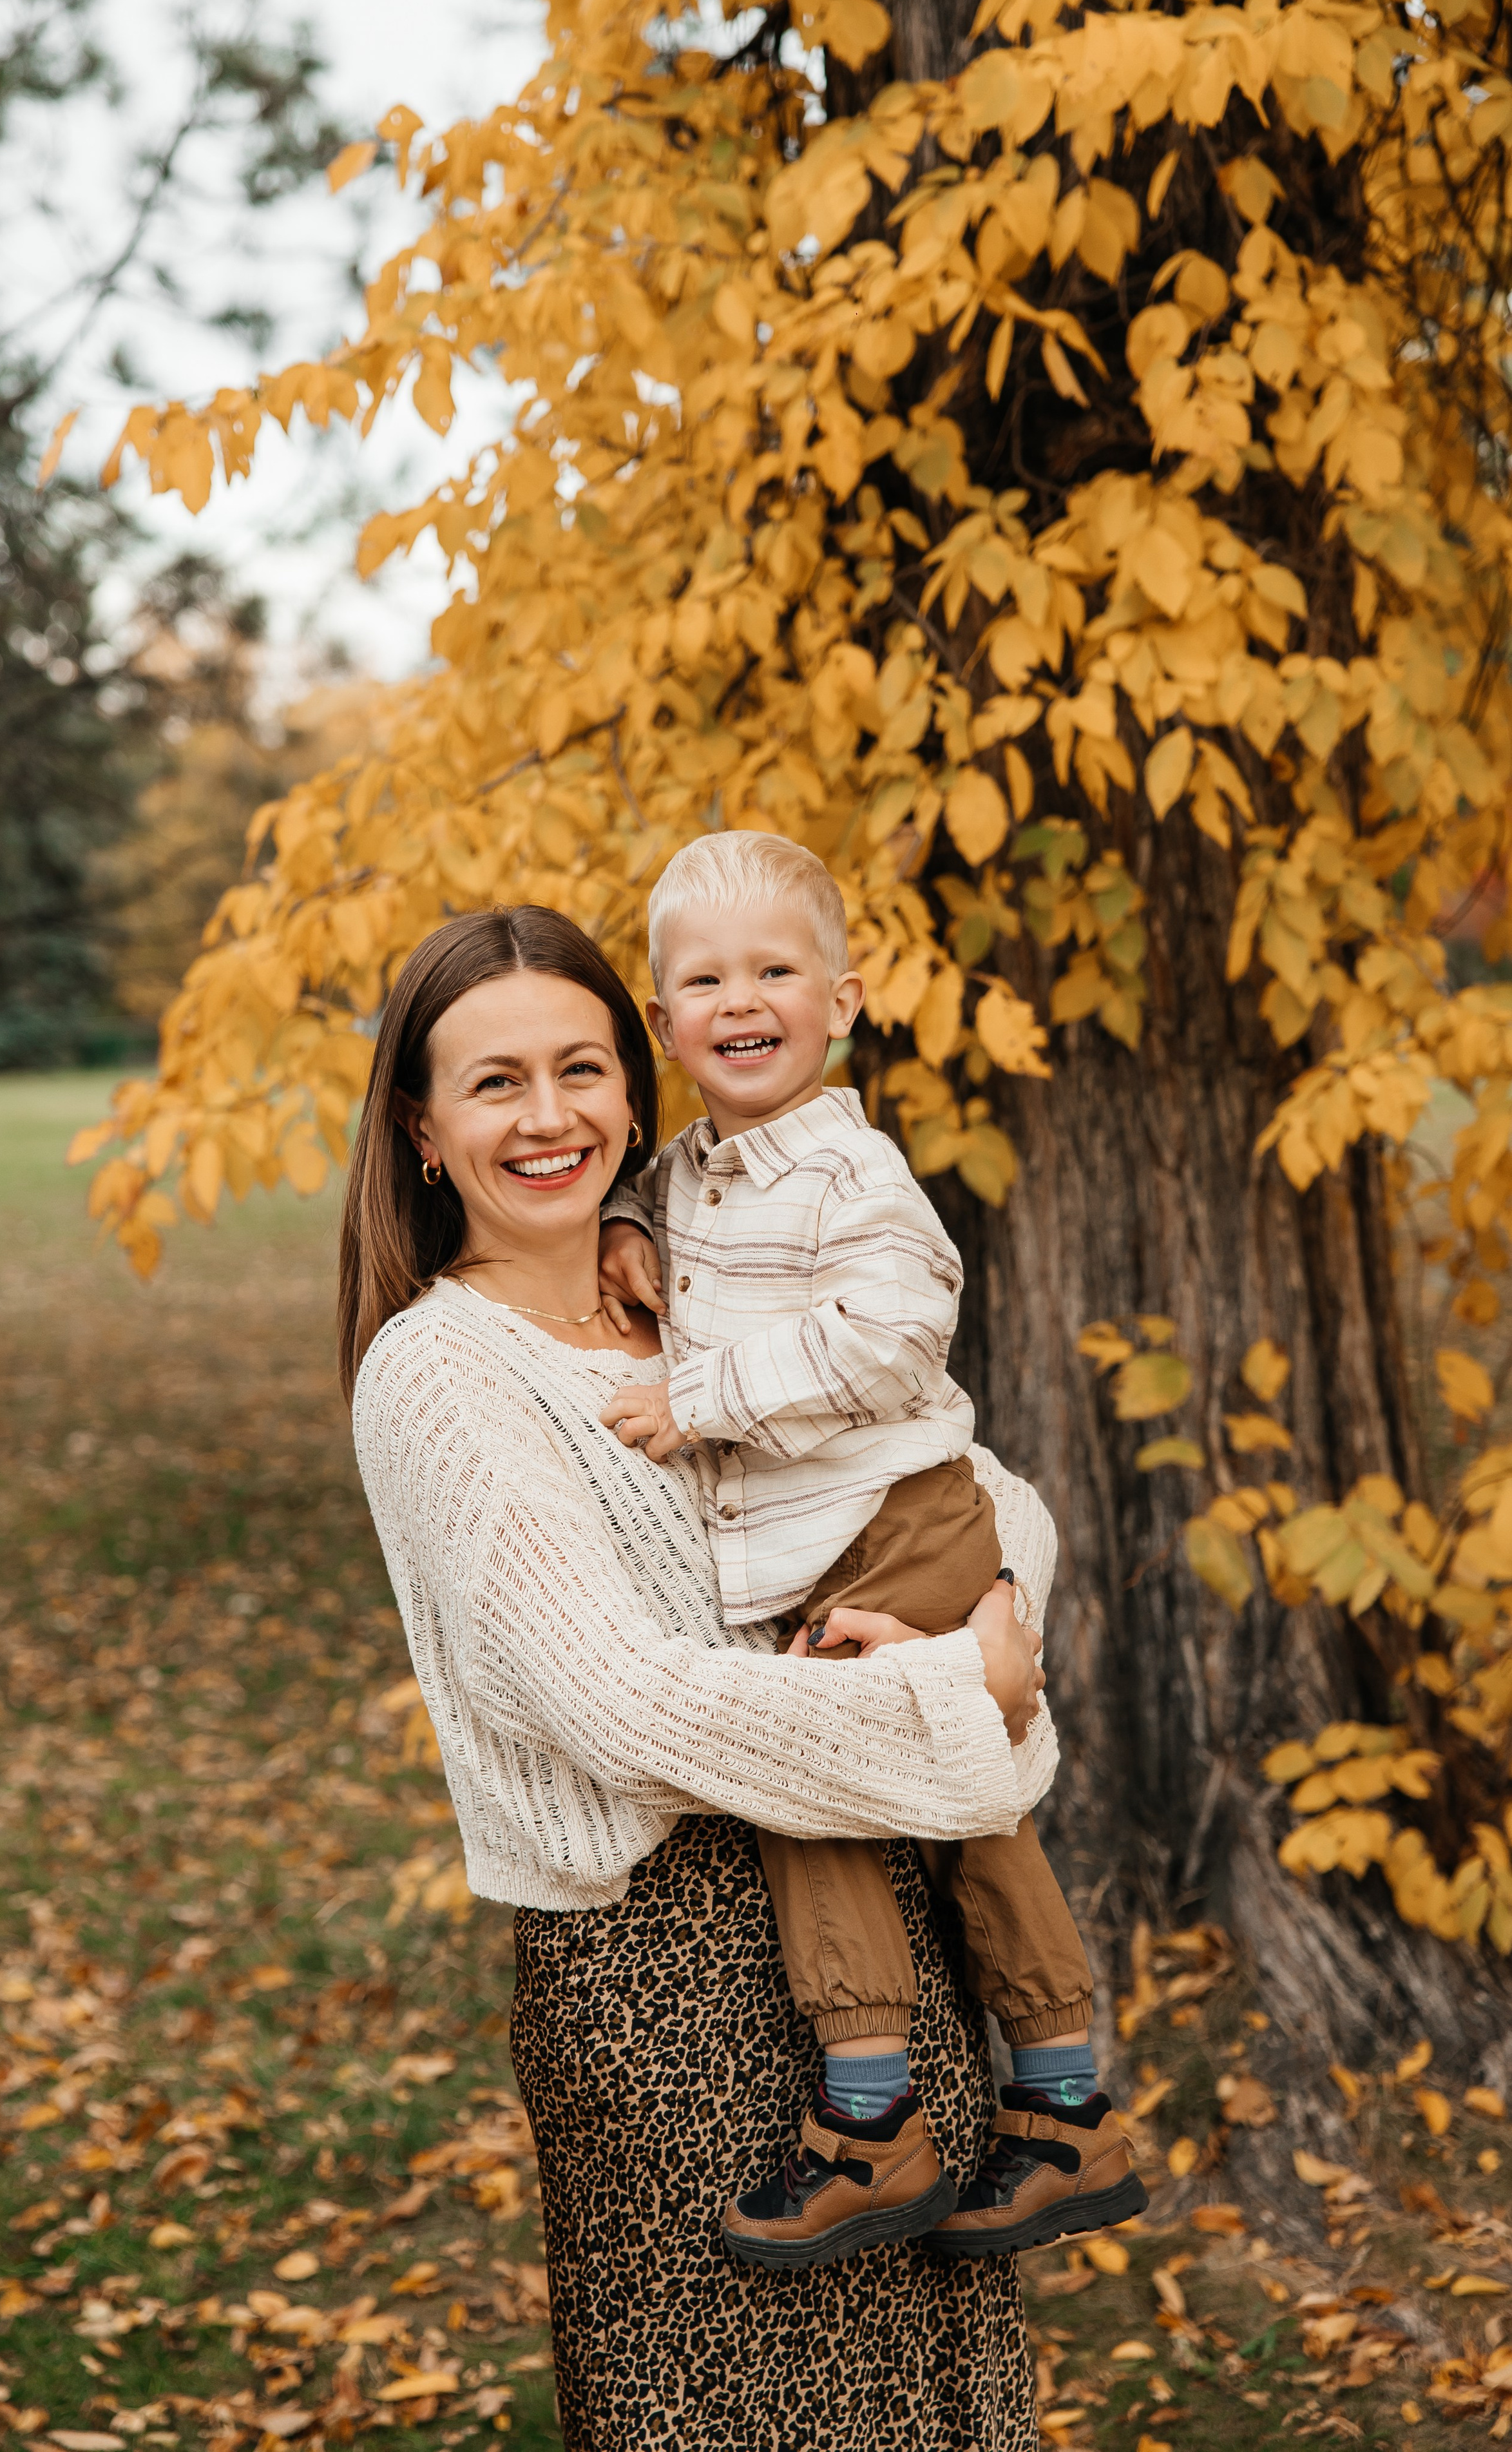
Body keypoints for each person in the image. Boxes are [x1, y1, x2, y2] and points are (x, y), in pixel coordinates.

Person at [341, 902, 1056, 2451]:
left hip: (878, 1919)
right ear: (420, 1123)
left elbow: (971, 1481)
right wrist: (950, 1693)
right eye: (494, 1082)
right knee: (747, 2414)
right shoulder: (440, 1373)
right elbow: (626, 1711)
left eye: (581, 1068)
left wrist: (985, 1619)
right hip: (673, 1991)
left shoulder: (713, 1283)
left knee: (946, 2405)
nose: (549, 1118)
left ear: (635, 1078)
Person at [595, 831, 1145, 2263]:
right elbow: (654, 1212)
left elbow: (896, 1340)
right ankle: (965, 2115)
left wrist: (697, 1399)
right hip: (821, 1553)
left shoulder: (853, 1170)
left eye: (772, 969)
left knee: (913, 1802)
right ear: (663, 1025)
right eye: (703, 979)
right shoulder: (689, 1170)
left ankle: (980, 2113)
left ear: (840, 1001)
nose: (739, 999)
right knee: (877, 1797)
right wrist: (614, 1224)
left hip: (893, 1524)